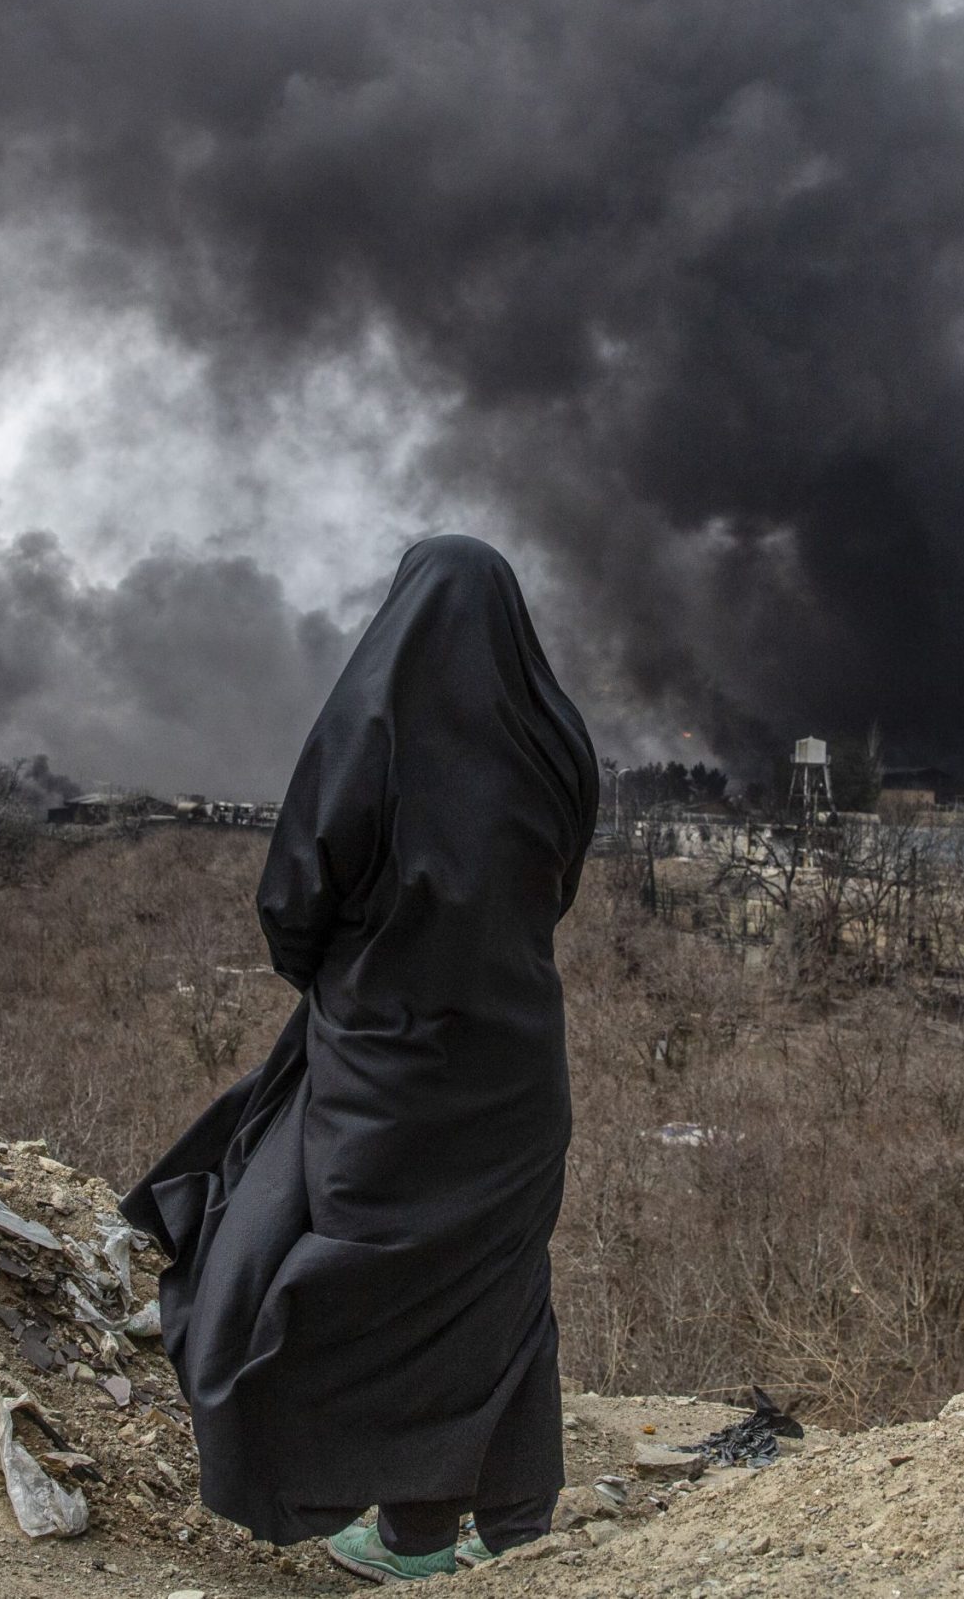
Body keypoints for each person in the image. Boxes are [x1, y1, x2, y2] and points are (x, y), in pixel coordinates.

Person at [120, 534, 598, 1582]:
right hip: (516, 1065)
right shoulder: (558, 741)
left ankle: (398, 1523)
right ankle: (480, 1528)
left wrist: (353, 979)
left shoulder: (370, 727)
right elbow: (552, 894)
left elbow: (294, 899)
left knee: (355, 1278)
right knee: (488, 1284)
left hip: (389, 1065)